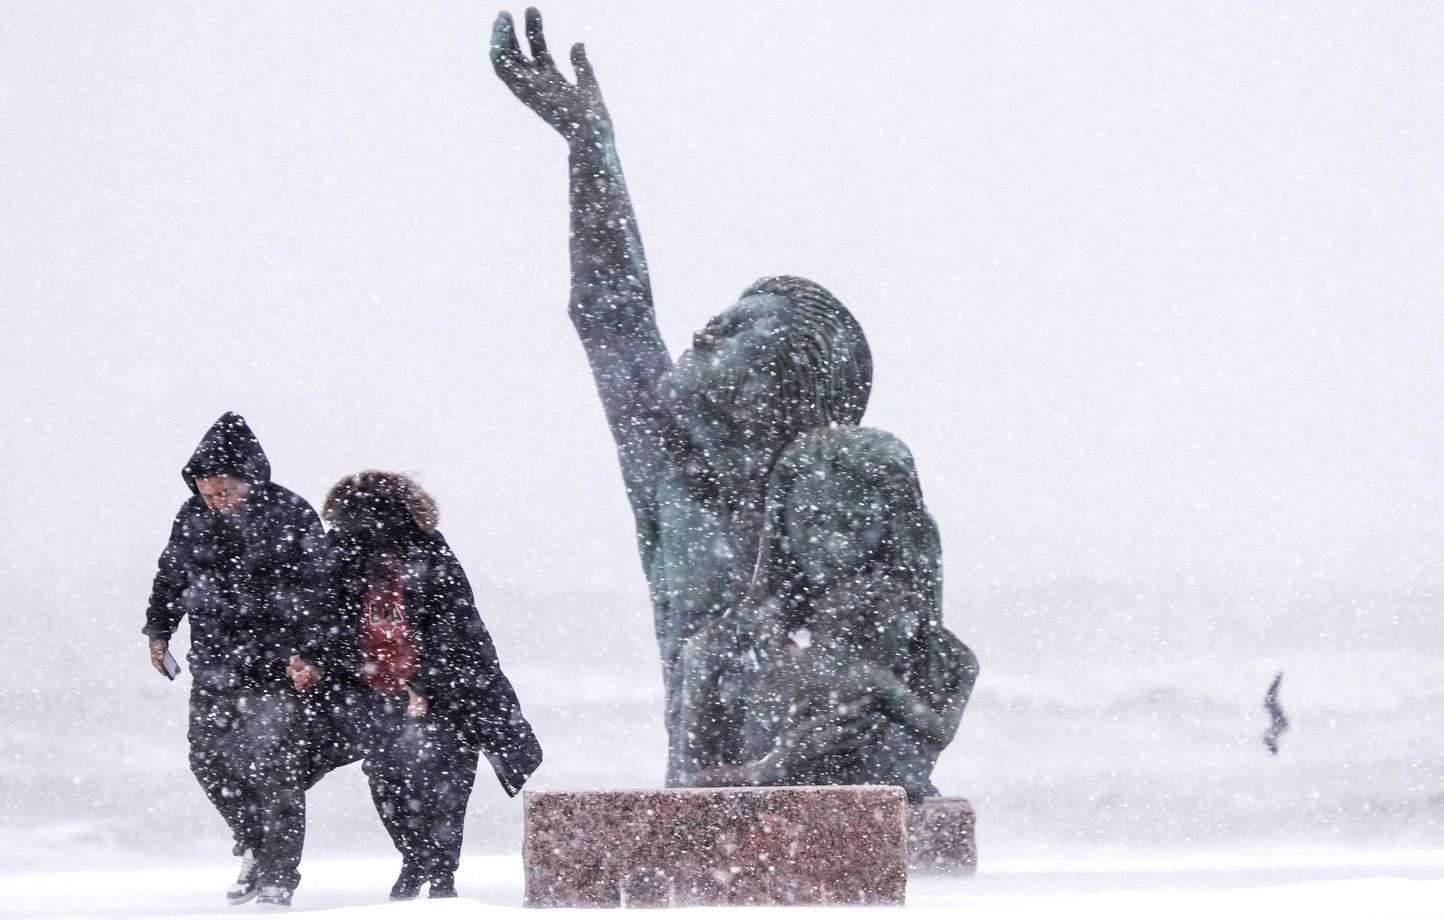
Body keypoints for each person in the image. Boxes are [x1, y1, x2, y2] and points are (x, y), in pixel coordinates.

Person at [490, 8, 976, 798]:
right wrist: (590, 146)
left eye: (745, 327)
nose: (706, 326)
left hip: (826, 790)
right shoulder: (671, 463)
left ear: (793, 379)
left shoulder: (840, 485)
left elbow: (913, 633)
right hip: (712, 803)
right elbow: (610, 310)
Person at [289, 471, 542, 901]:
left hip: (446, 689)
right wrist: (311, 659)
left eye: (373, 525)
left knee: (446, 781)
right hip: (371, 690)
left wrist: (425, 683)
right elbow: (323, 620)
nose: (365, 535)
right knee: (388, 780)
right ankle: (415, 859)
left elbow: (457, 628)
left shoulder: (431, 553)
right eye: (356, 525)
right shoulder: (340, 553)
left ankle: (441, 876)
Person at [143, 412, 324, 907]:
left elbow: (319, 592)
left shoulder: (291, 512)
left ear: (251, 479)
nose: (216, 502)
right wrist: (159, 630)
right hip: (214, 666)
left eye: (225, 491)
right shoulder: (191, 517)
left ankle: (278, 880)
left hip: (276, 670)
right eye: (208, 492)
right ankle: (255, 847)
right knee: (207, 763)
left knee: (276, 773)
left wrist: (308, 653)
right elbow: (170, 577)